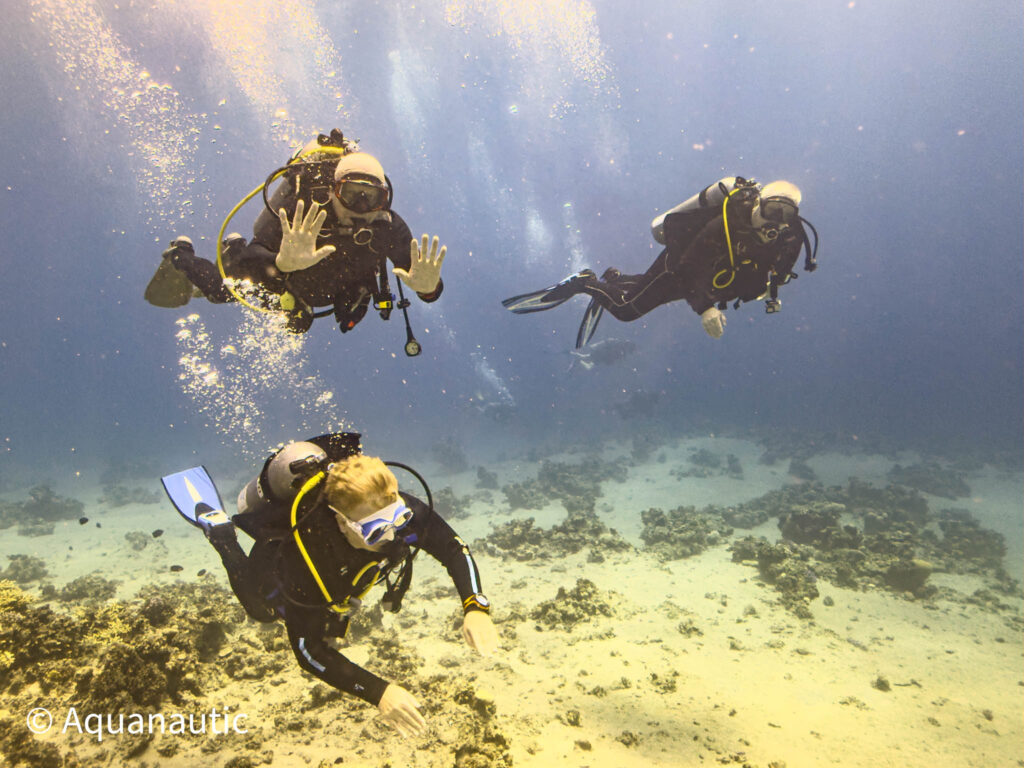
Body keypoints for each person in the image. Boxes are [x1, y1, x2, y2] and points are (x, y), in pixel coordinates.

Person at [161, 433, 498, 737]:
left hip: (344, 572)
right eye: (376, 531)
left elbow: (453, 549)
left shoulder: (386, 503)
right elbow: (308, 652)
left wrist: (475, 606)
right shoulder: (304, 559)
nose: (392, 535)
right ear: (342, 521)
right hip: (288, 564)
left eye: (399, 519)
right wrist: (379, 692)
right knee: (263, 611)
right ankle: (221, 534)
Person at [147, 130, 446, 349]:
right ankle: (181, 254)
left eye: (371, 197)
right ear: (333, 191)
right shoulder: (303, 207)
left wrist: (429, 289)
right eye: (352, 194)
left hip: (331, 289)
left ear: (384, 199)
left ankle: (237, 249)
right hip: (283, 278)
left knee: (330, 320)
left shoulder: (388, 227)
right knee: (219, 291)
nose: (361, 206)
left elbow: (423, 279)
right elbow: (255, 254)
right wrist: (281, 264)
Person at [502, 176, 817, 348]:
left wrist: (768, 288)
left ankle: (614, 277)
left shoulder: (790, 237)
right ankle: (586, 282)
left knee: (643, 288)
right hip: (678, 268)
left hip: (707, 283)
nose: (775, 221)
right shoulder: (728, 220)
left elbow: (777, 275)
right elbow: (689, 266)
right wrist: (705, 308)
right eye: (772, 210)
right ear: (759, 203)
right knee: (627, 310)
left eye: (786, 214)